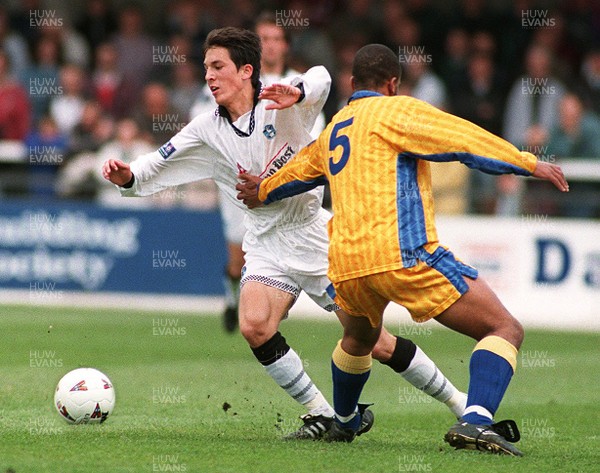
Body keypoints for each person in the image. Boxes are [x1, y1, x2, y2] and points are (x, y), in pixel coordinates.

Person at [102, 28, 466, 441]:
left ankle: (461, 404)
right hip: (265, 242)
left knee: (373, 342)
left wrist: (296, 90)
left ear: (246, 71)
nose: (209, 76)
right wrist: (129, 175)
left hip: (313, 238)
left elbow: (323, 77)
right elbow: (161, 159)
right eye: (206, 68)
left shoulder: (282, 103)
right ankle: (322, 412)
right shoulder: (207, 126)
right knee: (255, 325)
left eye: (218, 67)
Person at [236, 44, 569, 452]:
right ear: (392, 84)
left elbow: (299, 171)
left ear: (353, 84)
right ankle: (477, 420)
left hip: (345, 264)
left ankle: (343, 420)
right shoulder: (399, 111)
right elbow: (463, 141)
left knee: (359, 339)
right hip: (402, 254)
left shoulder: (337, 125)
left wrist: (261, 189)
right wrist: (528, 163)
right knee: (504, 328)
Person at [189, 13, 325, 333]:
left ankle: (272, 306)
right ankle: (234, 298)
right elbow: (201, 121)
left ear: (286, 46)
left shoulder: (297, 84)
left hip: (285, 187)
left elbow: (313, 137)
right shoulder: (233, 80)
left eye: (277, 39)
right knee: (238, 257)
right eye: (263, 39)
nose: (270, 46)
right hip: (241, 186)